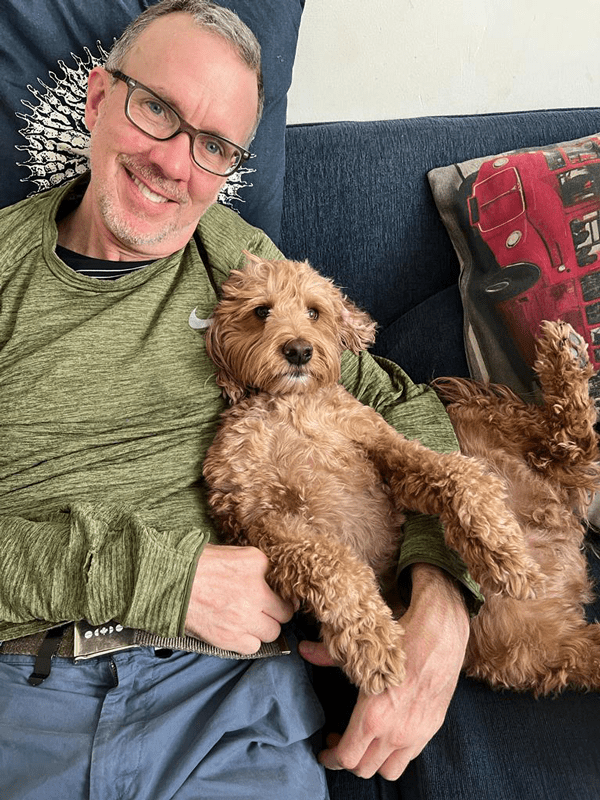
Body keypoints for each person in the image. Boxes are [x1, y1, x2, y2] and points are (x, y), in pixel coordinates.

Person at [0, 2, 481, 797]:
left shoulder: (240, 263)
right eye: (156, 109)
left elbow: (400, 405)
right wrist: (165, 577)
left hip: (227, 701)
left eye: (215, 145)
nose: (175, 165)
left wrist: (443, 593)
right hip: (24, 691)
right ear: (96, 99)